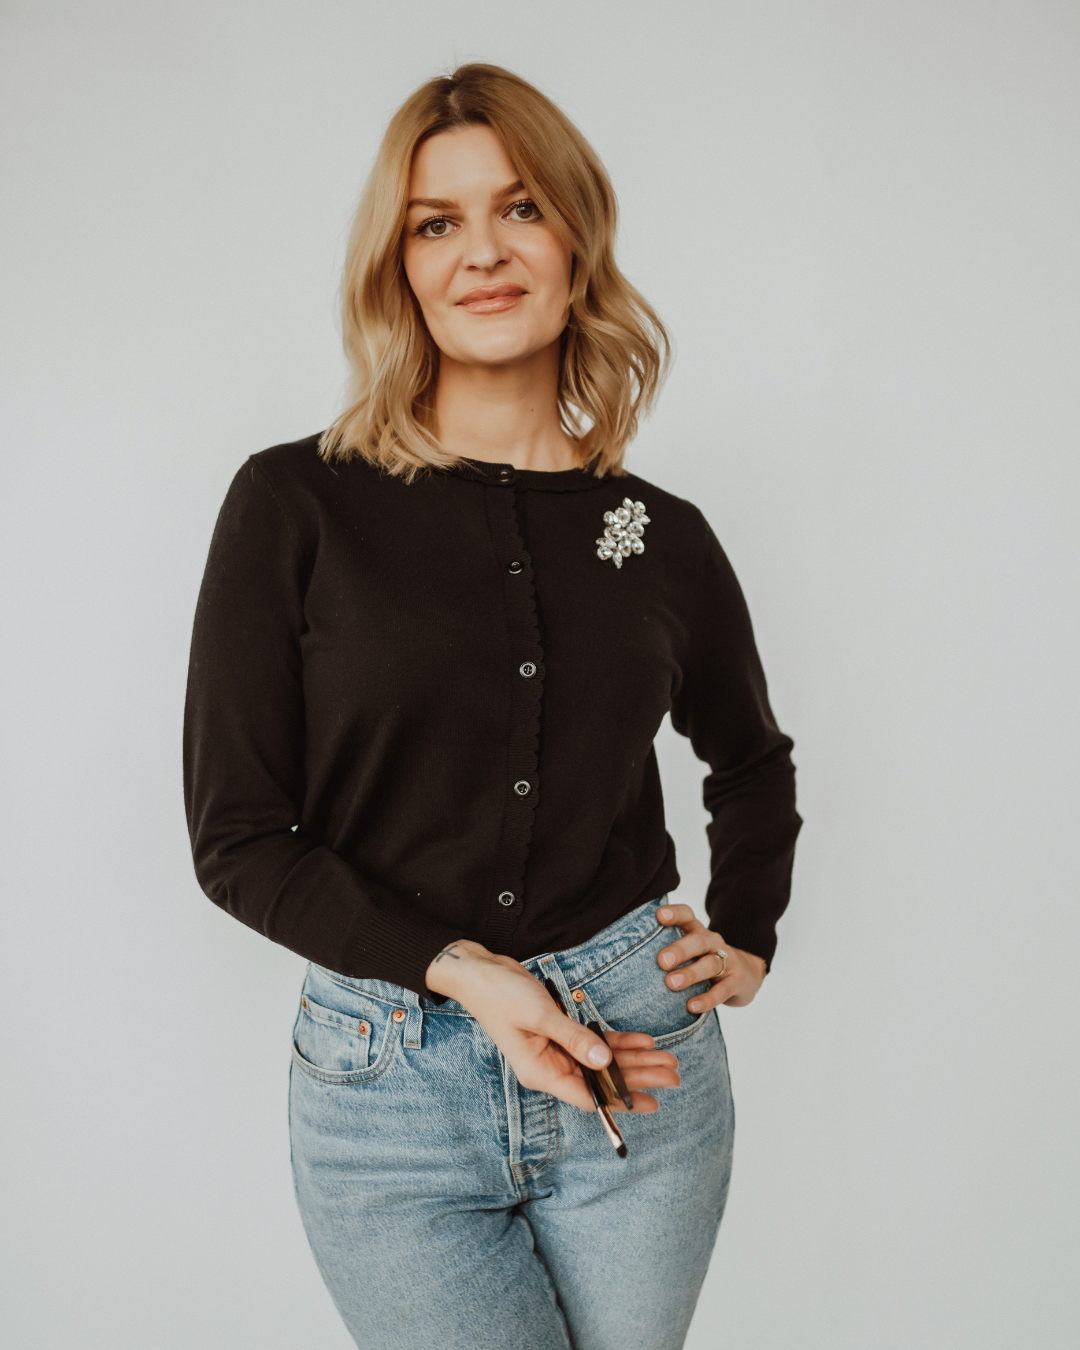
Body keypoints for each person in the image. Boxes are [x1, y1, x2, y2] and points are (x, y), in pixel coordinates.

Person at [184, 63, 801, 1350]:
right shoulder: (295, 505)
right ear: (397, 263)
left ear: (577, 237)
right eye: (436, 222)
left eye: (519, 209)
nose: (482, 253)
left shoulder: (661, 537)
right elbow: (240, 836)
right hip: (386, 1086)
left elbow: (749, 761)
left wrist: (745, 935)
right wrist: (472, 978)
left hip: (637, 1054)